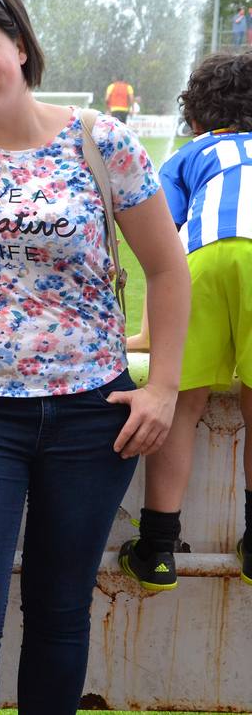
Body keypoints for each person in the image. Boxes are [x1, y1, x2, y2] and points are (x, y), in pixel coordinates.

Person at [0, 0, 189, 714]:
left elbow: (167, 269)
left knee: (59, 611)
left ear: (22, 49)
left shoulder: (101, 141)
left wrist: (162, 387)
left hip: (90, 412)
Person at [120, 49, 252, 591]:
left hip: (205, 255)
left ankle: (156, 548)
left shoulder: (190, 153)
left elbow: (162, 255)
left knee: (182, 400)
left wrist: (150, 338)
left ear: (195, 116)